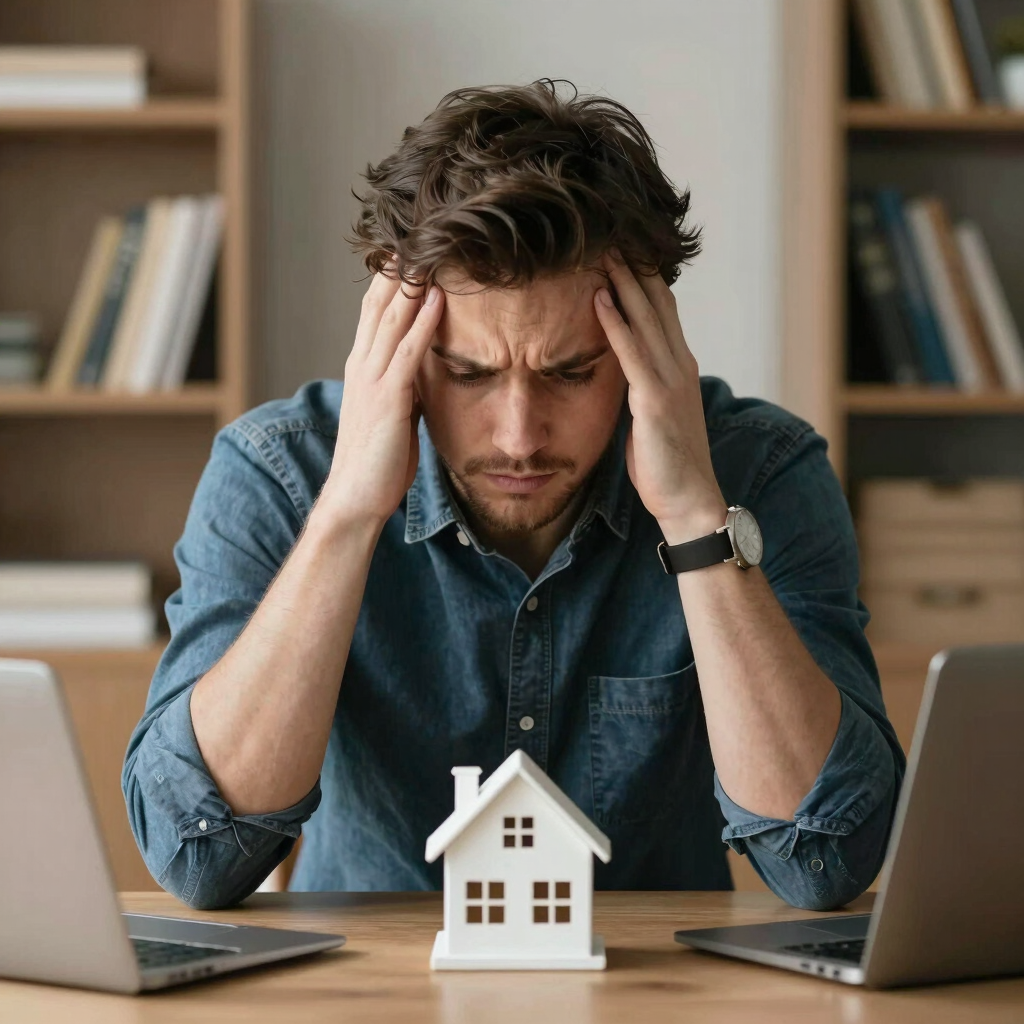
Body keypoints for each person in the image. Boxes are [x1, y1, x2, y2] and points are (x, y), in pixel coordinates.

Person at [123, 80, 903, 912]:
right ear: (403, 349)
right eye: (469, 374)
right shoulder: (278, 472)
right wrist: (349, 510)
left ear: (649, 344)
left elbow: (826, 861)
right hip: (366, 993)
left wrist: (696, 522)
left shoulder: (760, 472)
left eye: (571, 373)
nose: (519, 435)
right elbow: (195, 856)